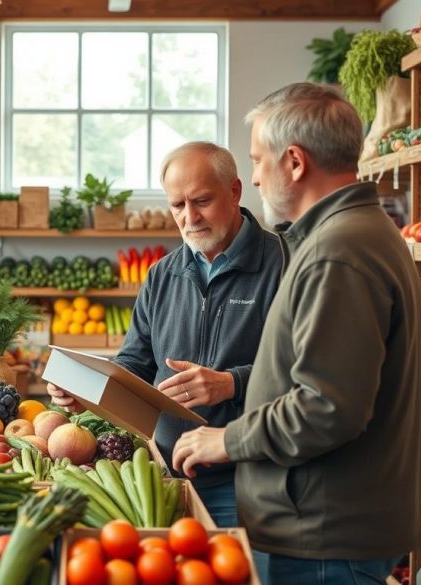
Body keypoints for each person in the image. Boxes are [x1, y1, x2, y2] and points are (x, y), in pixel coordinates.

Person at [172, 83, 421, 584]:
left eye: (259, 161)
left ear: (294, 161)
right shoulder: (346, 236)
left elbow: (326, 406)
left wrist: (227, 439)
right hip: (322, 527)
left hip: (325, 538)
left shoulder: (338, 252)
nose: (257, 179)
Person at [48, 142, 285, 533]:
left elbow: (304, 371)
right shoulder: (162, 275)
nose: (189, 217)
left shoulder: (282, 264)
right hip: (163, 473)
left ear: (236, 191)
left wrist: (232, 383)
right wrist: (86, 388)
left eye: (202, 201)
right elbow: (134, 365)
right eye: (177, 205)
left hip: (248, 481)